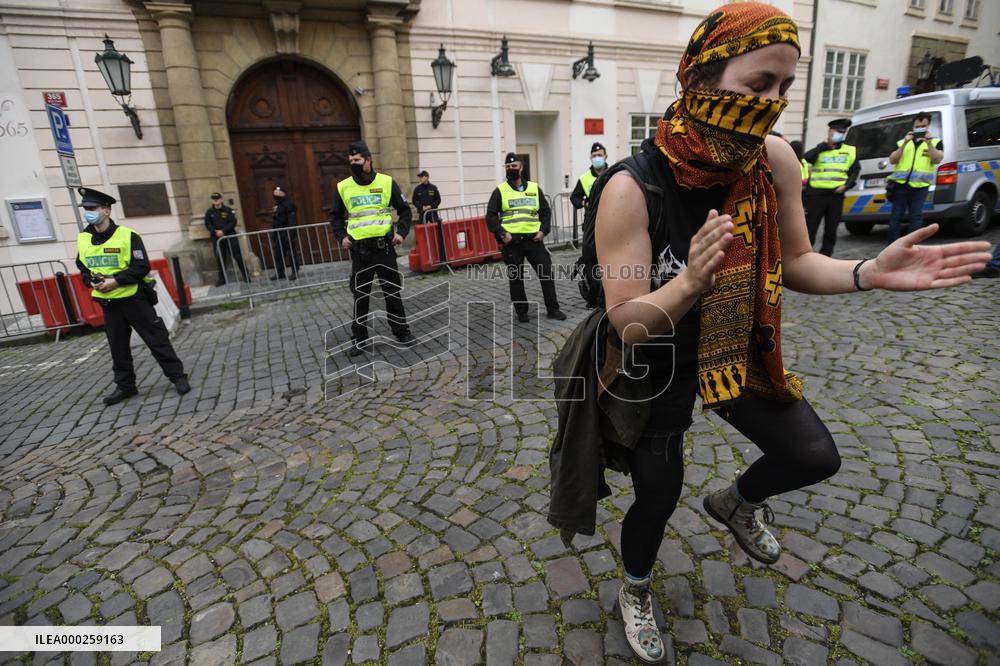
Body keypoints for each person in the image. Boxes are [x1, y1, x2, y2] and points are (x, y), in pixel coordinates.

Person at [546, 4, 991, 663]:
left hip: (734, 344)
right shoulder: (630, 189)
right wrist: (690, 282)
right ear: (698, 78)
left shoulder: (773, 160)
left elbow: (800, 260)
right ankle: (635, 587)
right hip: (657, 354)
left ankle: (736, 502)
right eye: (757, 86)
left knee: (814, 456)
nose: (773, 104)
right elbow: (628, 319)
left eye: (785, 87)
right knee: (658, 495)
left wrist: (870, 271)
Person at [74, 187, 191, 406]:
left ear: (107, 210)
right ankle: (126, 386)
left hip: (134, 298)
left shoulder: (128, 235)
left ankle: (178, 377)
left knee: (156, 340)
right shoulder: (84, 238)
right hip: (108, 302)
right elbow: (82, 264)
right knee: (117, 346)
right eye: (86, 209)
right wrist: (89, 280)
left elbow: (141, 266)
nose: (88, 212)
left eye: (93, 208)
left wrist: (115, 280)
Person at [329, 140, 416, 356]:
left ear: (368, 160)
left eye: (357, 160)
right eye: (351, 161)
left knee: (392, 293)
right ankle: (359, 339)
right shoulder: (344, 186)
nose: (354, 164)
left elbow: (405, 210)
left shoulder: (387, 182)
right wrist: (341, 237)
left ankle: (402, 331)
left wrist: (401, 233)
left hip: (384, 249)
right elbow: (335, 216)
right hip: (360, 252)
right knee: (361, 297)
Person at [486, 152, 566, 322]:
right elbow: (491, 216)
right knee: (516, 278)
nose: (511, 169)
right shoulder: (500, 191)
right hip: (512, 243)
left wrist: (543, 231)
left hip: (533, 240)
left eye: (514, 166)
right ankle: (522, 312)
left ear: (521, 168)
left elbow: (545, 211)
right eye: (507, 167)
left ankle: (553, 309)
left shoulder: (534, 188)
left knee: (546, 274)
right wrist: (501, 234)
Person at [886, 112, 944, 243]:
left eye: (924, 126)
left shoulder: (936, 142)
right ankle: (892, 245)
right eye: (918, 126)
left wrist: (929, 144)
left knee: (916, 218)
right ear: (913, 126)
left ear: (928, 126)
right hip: (900, 185)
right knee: (895, 217)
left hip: (920, 187)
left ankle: (912, 246)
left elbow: (937, 159)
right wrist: (904, 144)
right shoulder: (902, 142)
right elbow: (892, 160)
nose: (920, 128)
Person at [804, 118, 859, 256]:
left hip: (836, 195)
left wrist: (847, 186)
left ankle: (826, 254)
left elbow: (855, 170)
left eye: (843, 132)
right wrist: (824, 146)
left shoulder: (850, 150)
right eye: (837, 131)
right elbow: (806, 157)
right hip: (816, 194)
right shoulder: (820, 149)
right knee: (810, 226)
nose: (840, 134)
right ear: (829, 131)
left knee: (831, 227)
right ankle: (806, 253)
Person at [204, 192, 249, 286]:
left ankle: (246, 275)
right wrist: (215, 231)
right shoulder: (209, 212)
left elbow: (233, 222)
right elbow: (208, 224)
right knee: (220, 258)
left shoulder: (228, 210)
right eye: (214, 199)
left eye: (217, 199)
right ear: (212, 201)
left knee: (237, 256)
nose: (216, 201)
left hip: (230, 236)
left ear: (221, 200)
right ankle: (222, 279)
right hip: (217, 238)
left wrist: (223, 231)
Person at [271, 185, 300, 281]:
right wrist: (274, 235)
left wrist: (291, 234)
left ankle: (294, 271)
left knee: (291, 253)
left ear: (284, 194)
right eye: (275, 193)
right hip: (279, 233)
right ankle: (280, 272)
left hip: (287, 232)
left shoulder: (288, 204)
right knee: (279, 254)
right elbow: (275, 221)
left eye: (278, 193)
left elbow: (292, 220)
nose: (276, 195)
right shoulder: (276, 206)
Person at [570, 142, 609, 211]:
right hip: (591, 218)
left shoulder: (612, 174)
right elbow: (574, 197)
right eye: (594, 156)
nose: (597, 158)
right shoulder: (584, 178)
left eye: (600, 155)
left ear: (605, 156)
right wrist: (584, 203)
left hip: (610, 214)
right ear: (591, 158)